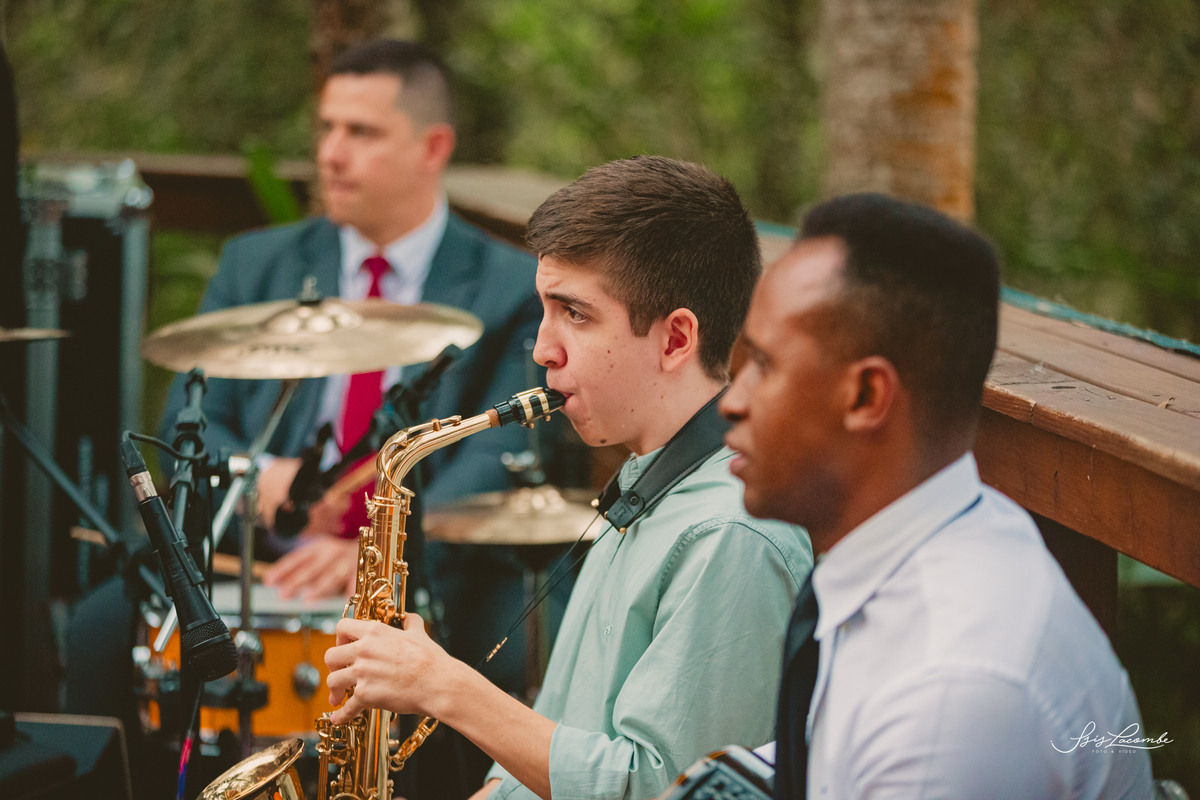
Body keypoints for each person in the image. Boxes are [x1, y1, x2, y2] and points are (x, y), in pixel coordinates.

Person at [323, 156, 814, 800]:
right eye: (545, 311)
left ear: (675, 340)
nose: (541, 349)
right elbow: (556, 738)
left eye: (575, 314)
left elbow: (661, 788)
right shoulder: (638, 491)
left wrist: (444, 686)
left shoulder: (730, 535)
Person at [720, 193, 1153, 799]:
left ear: (867, 396)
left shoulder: (950, 696)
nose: (731, 400)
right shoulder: (939, 538)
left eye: (764, 365)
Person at [155, 40, 551, 692]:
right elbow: (186, 425)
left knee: (511, 652)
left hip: (429, 568)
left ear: (433, 148)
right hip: (259, 563)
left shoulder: (509, 287)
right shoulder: (255, 265)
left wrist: (378, 555)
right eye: (327, 129)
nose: (331, 154)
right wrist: (258, 477)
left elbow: (499, 457)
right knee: (99, 627)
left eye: (361, 133)